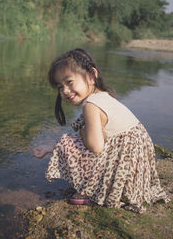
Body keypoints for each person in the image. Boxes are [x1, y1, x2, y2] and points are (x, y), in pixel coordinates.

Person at [33, 48, 169, 213]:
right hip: (135, 170)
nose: (65, 91)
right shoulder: (103, 96)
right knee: (78, 134)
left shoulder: (91, 105)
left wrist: (74, 138)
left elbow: (96, 147)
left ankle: (94, 191)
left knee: (67, 141)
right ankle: (113, 185)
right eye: (60, 87)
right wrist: (50, 147)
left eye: (69, 82)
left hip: (125, 167)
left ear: (91, 76)